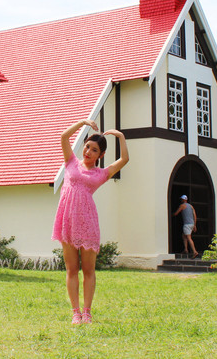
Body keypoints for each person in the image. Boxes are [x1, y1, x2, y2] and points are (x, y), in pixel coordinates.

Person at [52, 119, 129, 325]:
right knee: (71, 269)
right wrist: (82, 122)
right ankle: (75, 312)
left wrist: (120, 137)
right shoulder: (71, 162)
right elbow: (63, 137)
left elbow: (124, 159)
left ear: (101, 155)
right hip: (67, 221)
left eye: (94, 150)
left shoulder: (101, 174)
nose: (88, 152)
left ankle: (87, 312)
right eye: (87, 147)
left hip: (87, 224)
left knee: (88, 270)